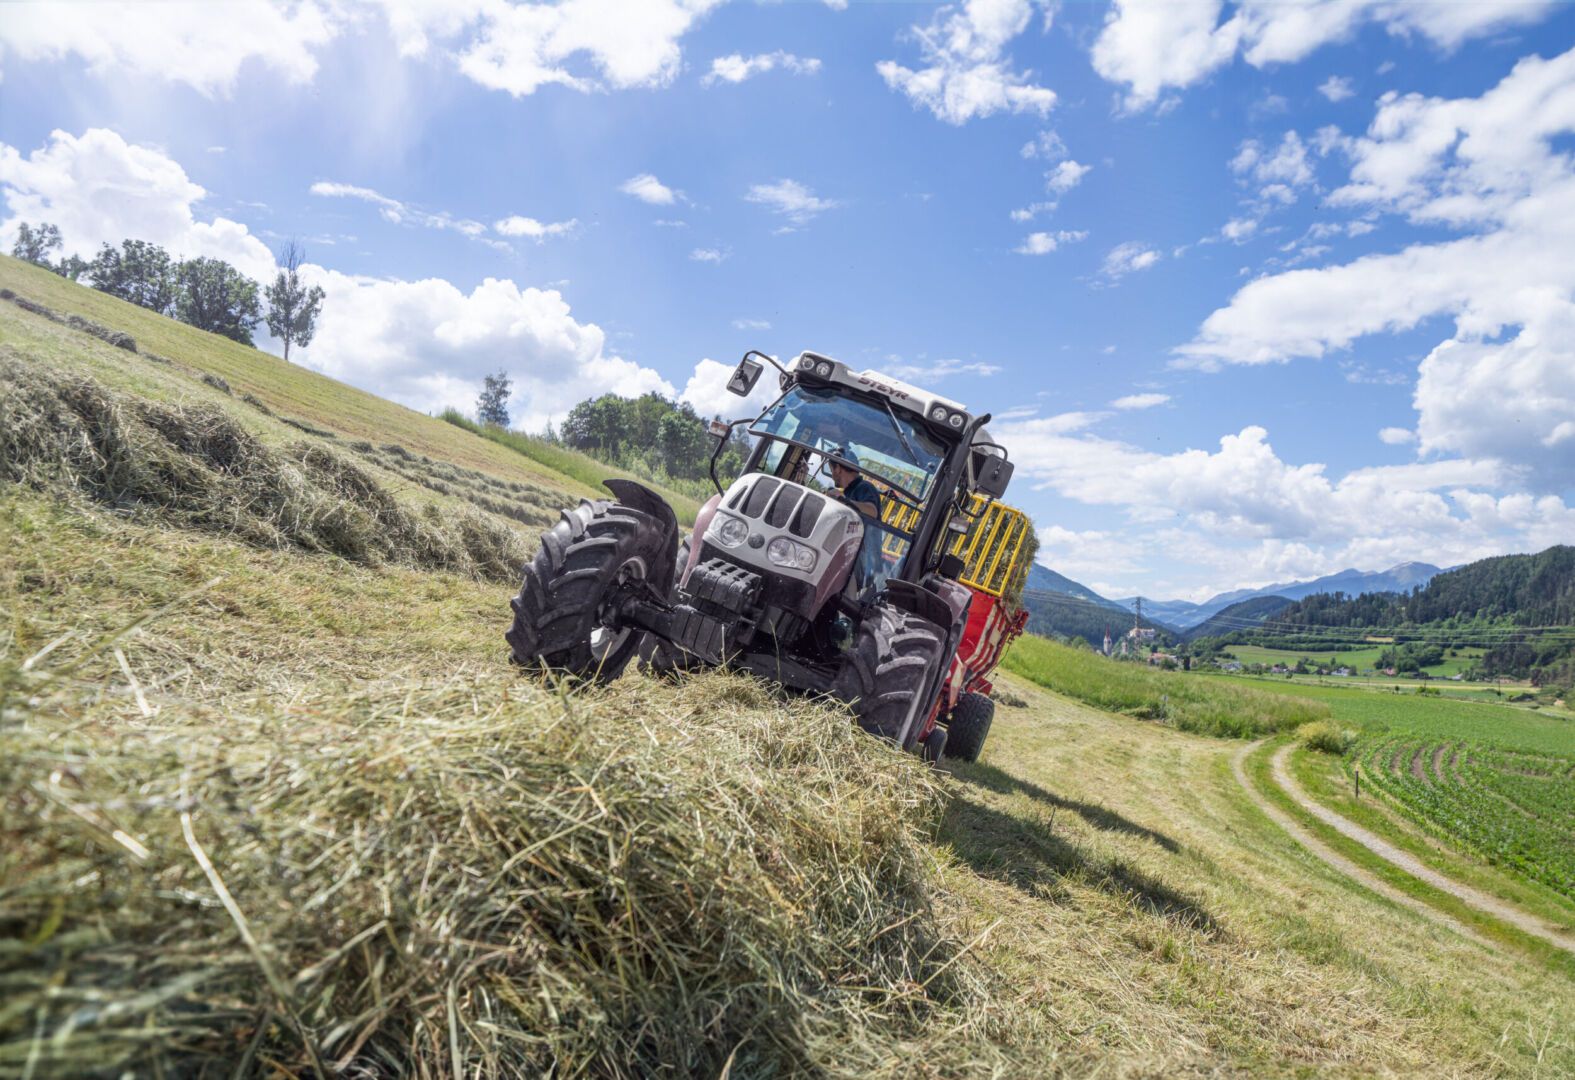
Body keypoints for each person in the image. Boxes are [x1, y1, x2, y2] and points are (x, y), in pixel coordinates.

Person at [826, 448, 884, 593]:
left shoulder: (864, 487)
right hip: (852, 557)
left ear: (838, 468)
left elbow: (872, 511)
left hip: (862, 562)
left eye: (831, 469)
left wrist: (841, 500)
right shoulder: (848, 493)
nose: (832, 475)